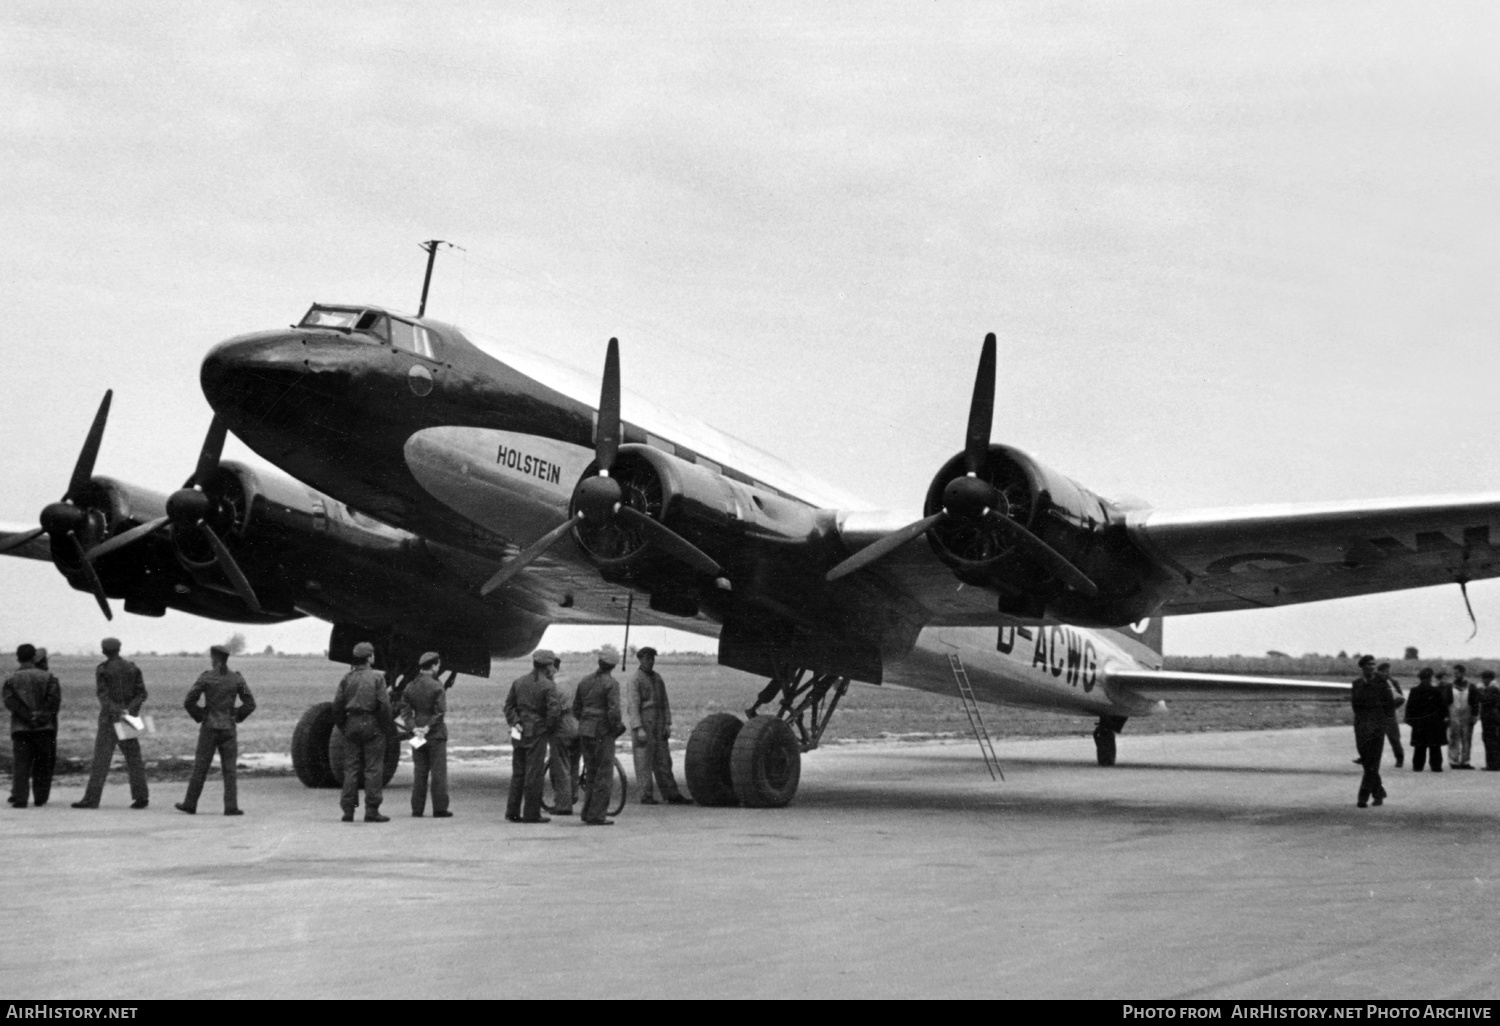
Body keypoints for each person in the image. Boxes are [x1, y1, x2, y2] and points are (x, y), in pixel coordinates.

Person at [175, 644, 255, 816]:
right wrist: (236, 716)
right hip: (229, 729)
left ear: (214, 659)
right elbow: (250, 704)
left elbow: (189, 702)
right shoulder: (237, 679)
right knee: (230, 769)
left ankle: (190, 804)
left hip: (209, 728)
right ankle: (231, 806)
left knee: (200, 767)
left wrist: (201, 715)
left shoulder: (206, 678)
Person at [74, 637, 150, 809]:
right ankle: (141, 797)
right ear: (119, 648)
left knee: (101, 760)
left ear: (104, 651)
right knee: (134, 759)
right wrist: (129, 710)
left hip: (109, 719)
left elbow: (103, 696)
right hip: (129, 718)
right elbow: (142, 694)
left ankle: (91, 799)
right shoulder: (132, 668)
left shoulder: (102, 669)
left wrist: (116, 711)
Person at [332, 641, 394, 823]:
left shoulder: (347, 678)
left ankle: (349, 811)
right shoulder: (377, 678)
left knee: (351, 768)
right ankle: (371, 811)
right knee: (373, 768)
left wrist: (344, 725)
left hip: (351, 723)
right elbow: (384, 706)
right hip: (372, 724)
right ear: (369, 658)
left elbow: (337, 707)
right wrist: (385, 728)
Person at [625, 647, 691, 806]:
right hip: (644, 722)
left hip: (659, 722)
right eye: (647, 658)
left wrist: (667, 723)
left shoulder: (657, 678)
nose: (650, 662)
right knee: (643, 761)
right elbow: (633, 706)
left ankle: (671, 794)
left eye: (652, 658)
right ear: (640, 659)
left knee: (663, 760)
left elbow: (665, 702)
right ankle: (646, 795)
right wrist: (638, 728)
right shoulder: (635, 680)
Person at [504, 649, 561, 823]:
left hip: (518, 731)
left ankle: (512, 812)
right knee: (534, 775)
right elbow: (554, 712)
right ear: (548, 666)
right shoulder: (549, 685)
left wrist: (515, 722)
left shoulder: (519, 682)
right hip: (537, 732)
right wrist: (548, 729)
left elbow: (508, 707)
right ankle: (531, 814)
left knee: (518, 773)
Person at [573, 646, 625, 826]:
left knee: (591, 772)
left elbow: (576, 708)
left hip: (585, 730)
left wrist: (587, 720)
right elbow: (614, 713)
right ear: (613, 666)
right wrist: (616, 728)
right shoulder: (611, 684)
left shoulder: (585, 680)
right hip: (602, 732)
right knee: (604, 774)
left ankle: (587, 812)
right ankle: (597, 815)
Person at [5, 643, 61, 808]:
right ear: (34, 657)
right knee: (43, 763)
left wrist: (27, 717)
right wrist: (41, 717)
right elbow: (54, 702)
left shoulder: (11, 679)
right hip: (45, 729)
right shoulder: (49, 677)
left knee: (21, 764)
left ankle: (21, 798)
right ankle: (40, 797)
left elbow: (10, 701)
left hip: (21, 728)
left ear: (18, 657)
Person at [396, 651, 451, 818]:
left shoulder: (410, 686)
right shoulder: (437, 686)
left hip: (416, 735)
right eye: (438, 665)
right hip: (435, 735)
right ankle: (440, 809)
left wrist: (413, 728)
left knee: (419, 772)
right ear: (433, 666)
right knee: (438, 772)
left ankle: (417, 809)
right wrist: (428, 727)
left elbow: (405, 710)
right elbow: (440, 712)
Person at [1350, 655, 1393, 808]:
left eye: (1374, 665)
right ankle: (1379, 792)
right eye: (1369, 665)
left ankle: (1362, 798)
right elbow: (1355, 705)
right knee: (1367, 763)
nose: (1372, 667)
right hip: (1361, 728)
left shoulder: (1381, 683)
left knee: (1372, 764)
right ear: (1361, 667)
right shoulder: (1356, 684)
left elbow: (1389, 704)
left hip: (1377, 728)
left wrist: (1383, 723)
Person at [546, 655, 581, 816]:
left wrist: (549, 728)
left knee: (560, 767)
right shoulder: (572, 681)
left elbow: (553, 712)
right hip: (578, 724)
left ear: (552, 667)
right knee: (574, 765)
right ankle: (573, 795)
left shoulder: (553, 685)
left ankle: (563, 805)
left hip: (563, 725)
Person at [1404, 667, 1448, 772]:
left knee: (1419, 747)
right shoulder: (1436, 691)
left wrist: (1412, 722)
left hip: (1419, 723)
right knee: (1435, 747)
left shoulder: (1414, 691)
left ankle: (1418, 766)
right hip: (1434, 723)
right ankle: (1436, 766)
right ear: (1430, 678)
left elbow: (1409, 708)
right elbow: (1443, 707)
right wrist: (1441, 720)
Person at [1444, 664, 1480, 769]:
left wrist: (1474, 715)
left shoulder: (1471, 687)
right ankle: (1453, 761)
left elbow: (1475, 703)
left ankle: (1465, 761)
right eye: (1454, 673)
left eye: (1457, 673)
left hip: (1467, 717)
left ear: (1463, 673)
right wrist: (1446, 716)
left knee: (1467, 739)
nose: (1455, 675)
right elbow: (1445, 703)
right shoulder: (1449, 687)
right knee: (1453, 738)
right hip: (1453, 715)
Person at [1377, 662, 1405, 769]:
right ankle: (1366, 757)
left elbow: (1401, 698)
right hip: (1377, 714)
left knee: (1394, 738)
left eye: (1388, 671)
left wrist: (1392, 707)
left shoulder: (1393, 682)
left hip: (1389, 714)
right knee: (1373, 738)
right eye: (1385, 672)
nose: (1387, 674)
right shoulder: (1374, 682)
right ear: (1379, 672)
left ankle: (1399, 758)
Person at [1477, 670, 1500, 772]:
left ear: (1488, 679)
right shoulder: (1493, 688)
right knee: (1491, 740)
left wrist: (1480, 690)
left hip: (1490, 719)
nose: (1482, 681)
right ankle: (1492, 763)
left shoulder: (1493, 689)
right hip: (1490, 718)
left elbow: (1485, 700)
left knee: (1490, 741)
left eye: (1483, 679)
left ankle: (1492, 764)